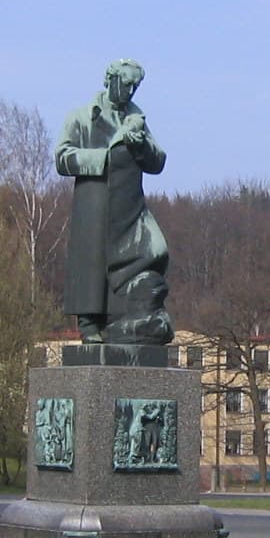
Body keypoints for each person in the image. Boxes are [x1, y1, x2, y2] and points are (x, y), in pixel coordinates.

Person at [55, 59, 173, 345]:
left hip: (130, 202)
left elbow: (158, 161)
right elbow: (62, 158)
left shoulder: (136, 118)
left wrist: (138, 143)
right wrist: (105, 158)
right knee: (93, 259)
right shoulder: (82, 117)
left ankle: (125, 312)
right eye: (127, 83)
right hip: (94, 199)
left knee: (155, 249)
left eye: (136, 85)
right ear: (110, 79)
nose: (131, 91)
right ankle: (90, 323)